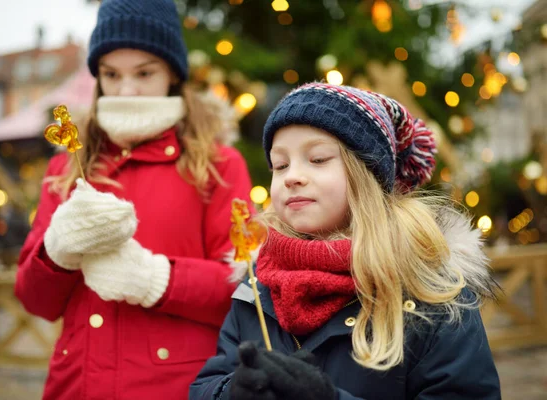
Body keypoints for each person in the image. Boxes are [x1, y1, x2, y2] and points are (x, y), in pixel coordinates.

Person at [190, 82, 501, 400]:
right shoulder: (257, 282)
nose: (291, 176)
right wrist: (231, 392)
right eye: (280, 164)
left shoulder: (432, 291)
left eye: (318, 159)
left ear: (368, 174)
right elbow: (206, 385)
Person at [15, 0, 253, 398]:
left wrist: (156, 279)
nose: (127, 90)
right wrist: (55, 251)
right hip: (75, 385)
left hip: (175, 387)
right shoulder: (66, 169)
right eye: (111, 74)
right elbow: (35, 301)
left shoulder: (217, 164)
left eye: (144, 73)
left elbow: (244, 292)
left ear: (172, 74)